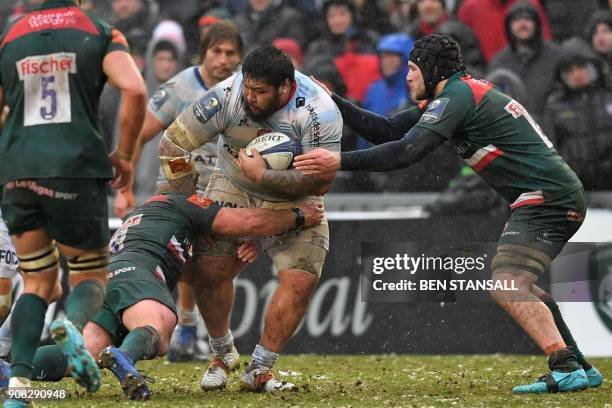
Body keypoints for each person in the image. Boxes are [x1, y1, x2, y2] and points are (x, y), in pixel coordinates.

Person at [294, 34, 604, 394]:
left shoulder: (456, 98)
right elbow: (388, 129)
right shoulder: (458, 94)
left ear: (432, 69)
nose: (408, 77)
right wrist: (334, 102)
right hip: (548, 195)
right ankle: (577, 364)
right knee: (519, 284)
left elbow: (405, 151)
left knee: (507, 285)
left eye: (412, 68)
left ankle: (565, 365)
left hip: (545, 197)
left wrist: (337, 162)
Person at [0, 189, 325, 401]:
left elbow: (195, 277)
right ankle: (125, 357)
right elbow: (243, 219)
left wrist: (233, 263)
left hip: (110, 276)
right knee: (160, 327)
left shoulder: (148, 217)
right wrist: (298, 216)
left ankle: (14, 369)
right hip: (140, 273)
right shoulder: (186, 203)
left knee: (87, 352)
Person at [159, 45, 341, 392]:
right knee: (209, 269)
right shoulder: (226, 96)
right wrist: (192, 204)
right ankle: (222, 353)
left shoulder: (320, 111)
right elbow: (172, 145)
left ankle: (259, 368)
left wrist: (263, 181)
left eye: (260, 92)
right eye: (247, 87)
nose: (250, 97)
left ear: (286, 87)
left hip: (297, 195)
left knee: (301, 278)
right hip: (232, 184)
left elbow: (323, 180)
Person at [0, 0, 146, 406]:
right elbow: (134, 88)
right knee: (90, 278)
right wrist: (127, 157)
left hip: (17, 170)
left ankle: (19, 390)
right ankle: (70, 326)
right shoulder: (99, 31)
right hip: (75, 167)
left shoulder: (9, 37)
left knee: (37, 281)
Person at [116, 21, 243, 363]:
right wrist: (124, 186)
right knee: (179, 261)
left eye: (231, 53)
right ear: (203, 54)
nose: (224, 59)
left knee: (218, 270)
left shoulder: (249, 90)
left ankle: (206, 337)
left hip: (223, 191)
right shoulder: (180, 86)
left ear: (240, 57)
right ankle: (177, 329)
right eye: (216, 51)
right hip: (176, 188)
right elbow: (139, 133)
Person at [543, 44, 612, 191]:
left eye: (581, 67)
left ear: (592, 68)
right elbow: (550, 148)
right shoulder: (555, 106)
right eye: (570, 70)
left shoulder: (608, 96)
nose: (577, 74)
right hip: (577, 188)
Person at [488, 2, 562, 121]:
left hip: (550, 128)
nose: (522, 24)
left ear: (536, 24)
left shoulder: (555, 56)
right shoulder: (499, 62)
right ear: (509, 26)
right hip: (514, 130)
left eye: (528, 19)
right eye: (516, 20)